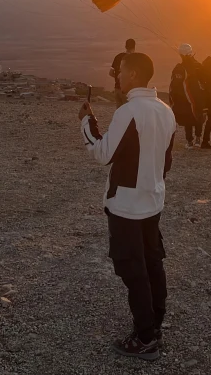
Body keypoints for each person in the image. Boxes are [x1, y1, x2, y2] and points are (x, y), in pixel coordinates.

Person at [79, 52, 176, 362]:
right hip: (153, 200)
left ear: (133, 74)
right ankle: (155, 323)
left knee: (132, 269)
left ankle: (145, 337)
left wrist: (86, 122)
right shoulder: (165, 110)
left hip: (126, 206)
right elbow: (166, 161)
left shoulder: (129, 111)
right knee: (152, 261)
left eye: (120, 71)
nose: (116, 76)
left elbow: (102, 153)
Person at [169, 43, 204, 149]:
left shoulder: (179, 68)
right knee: (198, 116)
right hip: (198, 96)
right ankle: (198, 139)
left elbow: (174, 85)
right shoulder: (198, 65)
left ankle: (189, 141)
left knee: (188, 118)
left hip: (185, 98)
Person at [109, 38, 136, 108]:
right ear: (134, 47)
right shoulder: (133, 59)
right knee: (128, 113)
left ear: (125, 46)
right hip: (127, 91)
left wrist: (118, 78)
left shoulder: (118, 57)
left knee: (119, 112)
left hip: (117, 89)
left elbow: (110, 73)